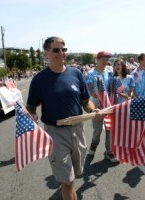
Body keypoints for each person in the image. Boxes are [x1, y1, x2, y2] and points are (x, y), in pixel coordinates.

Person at [26, 36, 100, 200]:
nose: (61, 53)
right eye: (56, 50)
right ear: (46, 53)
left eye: (64, 49)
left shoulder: (76, 73)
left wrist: (93, 111)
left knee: (75, 175)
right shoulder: (40, 79)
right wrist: (32, 114)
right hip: (56, 133)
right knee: (67, 181)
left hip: (78, 130)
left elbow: (85, 101)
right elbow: (30, 106)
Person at [86, 51, 120, 163]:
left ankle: (109, 151)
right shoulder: (91, 73)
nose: (105, 62)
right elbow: (89, 89)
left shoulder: (110, 72)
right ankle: (93, 146)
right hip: (97, 105)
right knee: (98, 130)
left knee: (110, 129)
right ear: (97, 60)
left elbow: (115, 84)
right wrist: (93, 93)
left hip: (109, 104)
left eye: (106, 60)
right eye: (103, 60)